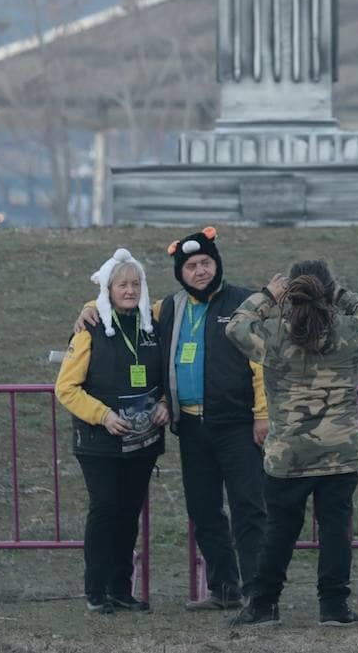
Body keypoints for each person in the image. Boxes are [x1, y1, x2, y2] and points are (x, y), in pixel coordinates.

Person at [73, 225, 268, 610]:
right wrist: (90, 307)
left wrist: (263, 413)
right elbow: (123, 301)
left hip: (238, 425)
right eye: (191, 265)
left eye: (206, 262)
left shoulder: (244, 304)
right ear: (180, 272)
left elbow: (261, 362)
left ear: (217, 264)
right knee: (204, 509)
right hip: (192, 427)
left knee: (248, 506)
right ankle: (224, 589)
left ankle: (260, 594)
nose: (200, 271)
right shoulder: (170, 308)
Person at [224, 259, 358, 627]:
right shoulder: (347, 331)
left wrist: (267, 295)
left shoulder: (273, 334)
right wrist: (341, 295)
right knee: (335, 532)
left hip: (288, 455)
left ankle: (264, 605)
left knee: (278, 532)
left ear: (291, 292)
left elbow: (235, 327)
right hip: (339, 454)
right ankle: (333, 606)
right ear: (327, 293)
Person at [55, 248, 169, 614]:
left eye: (136, 283)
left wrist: (165, 402)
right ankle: (96, 591)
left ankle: (122, 589)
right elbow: (65, 388)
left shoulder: (154, 321)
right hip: (98, 441)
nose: (130, 290)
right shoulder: (89, 327)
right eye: (122, 284)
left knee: (128, 514)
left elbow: (168, 372)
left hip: (142, 440)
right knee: (104, 510)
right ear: (109, 288)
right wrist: (103, 416)